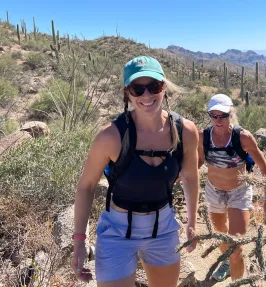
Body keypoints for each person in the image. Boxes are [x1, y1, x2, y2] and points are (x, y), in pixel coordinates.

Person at [71, 55, 200, 287]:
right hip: (117, 233)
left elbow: (190, 176)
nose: (147, 95)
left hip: (163, 230)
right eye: (137, 89)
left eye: (154, 86)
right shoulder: (110, 137)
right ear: (127, 93)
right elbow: (86, 186)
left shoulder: (185, 131)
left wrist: (191, 222)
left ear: (164, 88)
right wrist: (79, 242)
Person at [198, 94, 266, 282]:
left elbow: (265, 169)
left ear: (230, 114)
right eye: (213, 115)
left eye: (222, 116)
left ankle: (236, 277)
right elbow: (199, 161)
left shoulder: (243, 138)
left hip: (239, 193)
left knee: (236, 247)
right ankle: (228, 262)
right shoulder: (203, 136)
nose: (218, 120)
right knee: (221, 238)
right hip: (213, 191)